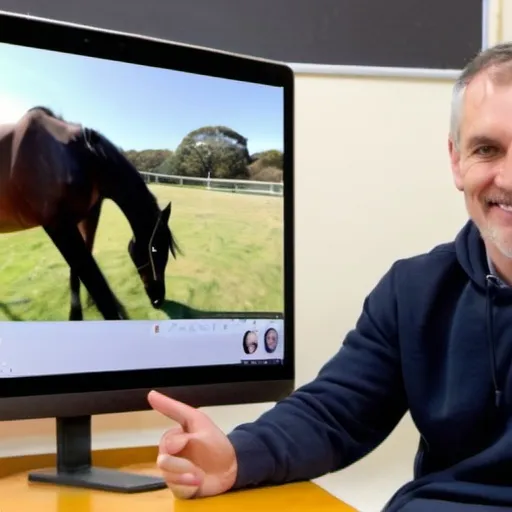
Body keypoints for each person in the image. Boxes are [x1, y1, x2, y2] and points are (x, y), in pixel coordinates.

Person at [147, 42, 512, 511]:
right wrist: (236, 457)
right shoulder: (412, 292)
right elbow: (334, 412)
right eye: (487, 149)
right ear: (456, 159)